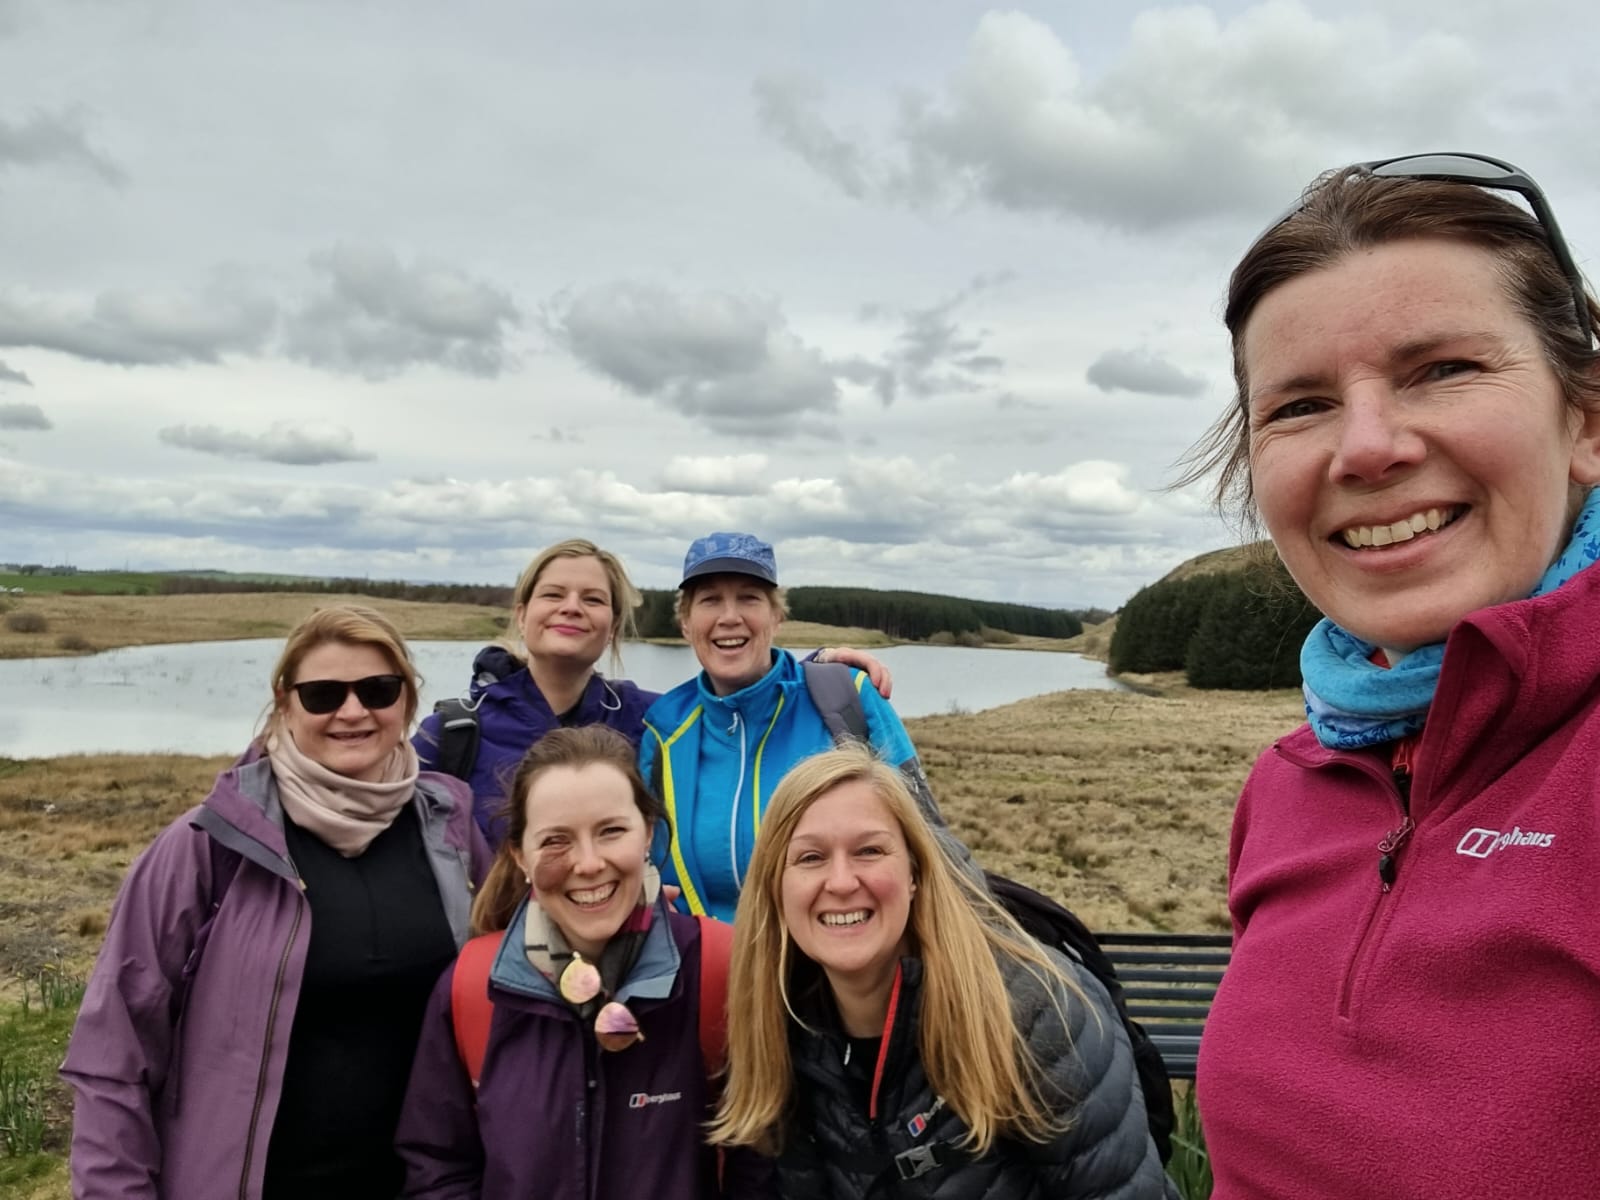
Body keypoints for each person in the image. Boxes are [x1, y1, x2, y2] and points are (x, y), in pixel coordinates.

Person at [1185, 154, 1600, 1198]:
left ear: (1585, 421)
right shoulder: (1289, 784)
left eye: (1443, 369)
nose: (1365, 447)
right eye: (1299, 406)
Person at [63, 604, 491, 1200]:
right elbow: (115, 1051)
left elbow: (514, 982)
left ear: (407, 702)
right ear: (284, 703)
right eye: (322, 695)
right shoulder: (209, 843)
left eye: (377, 689)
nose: (352, 711)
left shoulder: (450, 829)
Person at [709, 744, 1172, 1199]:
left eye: (869, 850)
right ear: (775, 888)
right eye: (810, 858)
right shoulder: (781, 1027)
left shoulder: (1038, 1010)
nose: (843, 881)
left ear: (915, 873)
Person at [395, 725, 761, 1199]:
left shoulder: (719, 968)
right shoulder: (473, 988)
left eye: (611, 831)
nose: (588, 864)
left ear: (647, 833)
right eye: (555, 841)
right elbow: (438, 1168)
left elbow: (763, 1163)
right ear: (520, 856)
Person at [416, 537, 891, 844]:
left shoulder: (647, 718)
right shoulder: (455, 732)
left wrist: (817, 666)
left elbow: (738, 700)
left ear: (613, 627)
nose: (572, 608)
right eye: (554, 594)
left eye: (593, 599)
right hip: (488, 961)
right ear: (522, 614)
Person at [640, 531, 932, 922]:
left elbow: (930, 842)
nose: (729, 617)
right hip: (706, 972)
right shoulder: (664, 732)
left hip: (831, 970)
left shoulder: (847, 699)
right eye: (710, 600)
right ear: (685, 624)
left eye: (749, 597)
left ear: (777, 616)